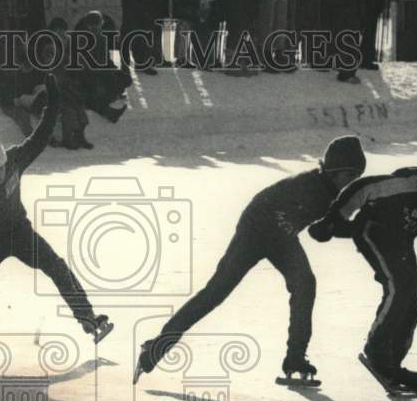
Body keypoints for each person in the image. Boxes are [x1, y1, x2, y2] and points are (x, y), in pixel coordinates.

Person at [133, 136, 368, 386]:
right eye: (348, 175)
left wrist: (358, 228)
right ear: (334, 171)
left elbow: (323, 227)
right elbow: (264, 204)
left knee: (305, 284)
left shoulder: (330, 192)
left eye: (355, 175)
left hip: (280, 236)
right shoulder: (308, 184)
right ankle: (156, 348)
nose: (350, 181)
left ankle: (295, 358)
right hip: (254, 232)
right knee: (216, 292)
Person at [0, 75, 113, 359]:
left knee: (57, 267)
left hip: (20, 233)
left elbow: (42, 135)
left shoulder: (14, 159)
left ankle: (88, 319)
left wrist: (54, 101)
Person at [308, 116, 417, 391]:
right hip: (372, 231)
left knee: (411, 303)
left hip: (400, 241)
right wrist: (333, 219)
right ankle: (377, 353)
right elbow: (362, 188)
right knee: (401, 288)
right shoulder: (411, 183)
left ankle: (391, 365)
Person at [328, 0, 367, 83]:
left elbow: (361, 4)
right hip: (341, 22)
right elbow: (334, 6)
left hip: (354, 21)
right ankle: (345, 74)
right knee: (344, 48)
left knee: (354, 48)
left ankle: (351, 72)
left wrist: (362, 20)